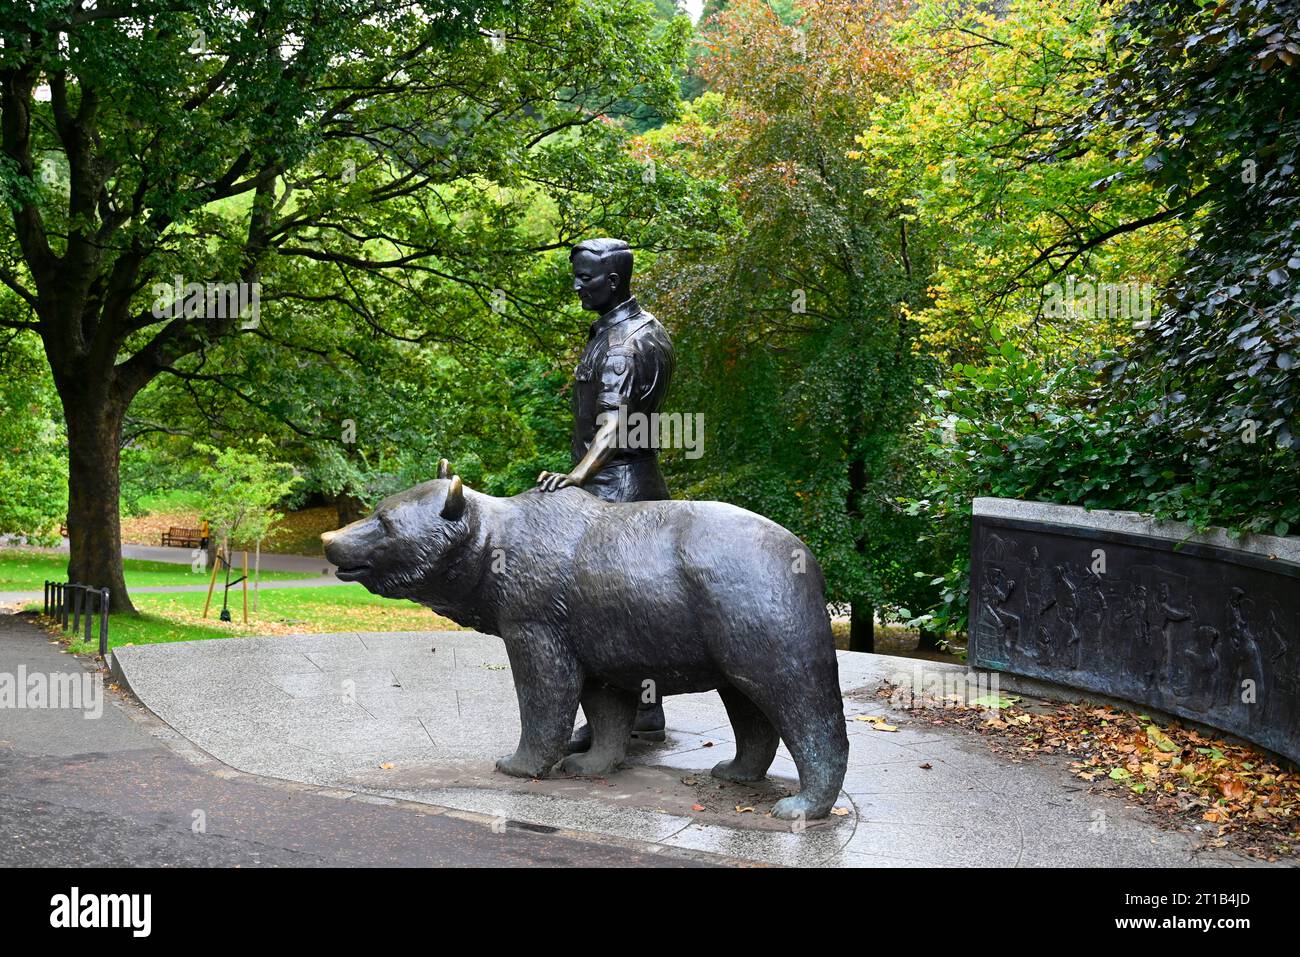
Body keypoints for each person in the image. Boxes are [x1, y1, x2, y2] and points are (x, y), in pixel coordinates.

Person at [536, 237, 675, 752]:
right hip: (635, 487)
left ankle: (611, 722)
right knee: (635, 610)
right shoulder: (631, 329)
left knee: (604, 614)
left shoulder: (624, 344)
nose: (576, 285)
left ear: (613, 281)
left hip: (616, 492)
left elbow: (615, 426)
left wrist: (577, 477)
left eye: (585, 277)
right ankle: (646, 710)